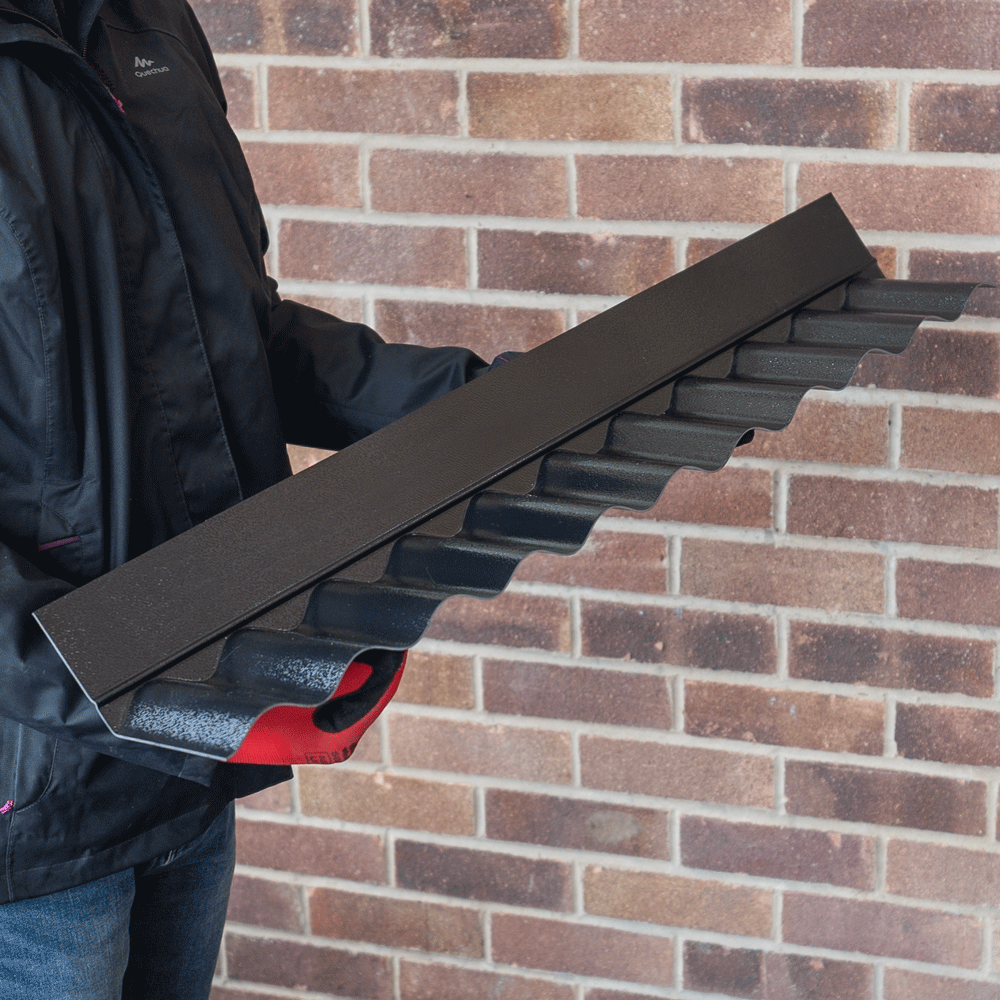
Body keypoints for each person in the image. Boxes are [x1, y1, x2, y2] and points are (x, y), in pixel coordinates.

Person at [0, 0, 493, 996]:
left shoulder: (146, 25)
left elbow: (230, 334)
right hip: (37, 811)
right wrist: (164, 700)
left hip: (187, 786)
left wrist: (484, 406)